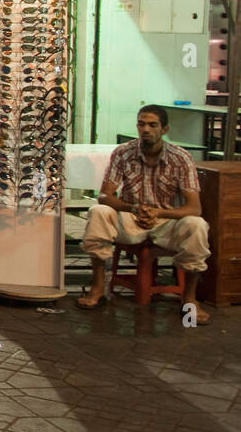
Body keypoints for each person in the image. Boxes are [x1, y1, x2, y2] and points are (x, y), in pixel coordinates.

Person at [77, 105, 212, 322]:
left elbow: (194, 208)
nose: (145, 129)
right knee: (99, 211)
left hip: (167, 222)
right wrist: (133, 208)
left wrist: (158, 212)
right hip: (132, 219)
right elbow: (105, 196)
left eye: (152, 125)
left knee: (196, 225)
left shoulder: (181, 158)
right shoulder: (123, 153)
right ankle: (98, 288)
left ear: (165, 129)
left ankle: (189, 299)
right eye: (141, 124)